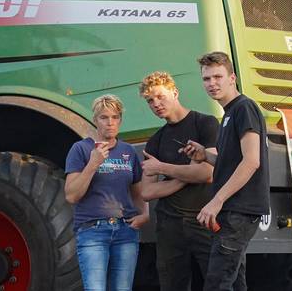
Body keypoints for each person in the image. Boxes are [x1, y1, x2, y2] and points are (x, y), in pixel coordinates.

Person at [182, 52, 270, 291]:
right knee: (235, 282)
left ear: (232, 78)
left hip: (239, 211)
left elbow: (252, 161)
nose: (212, 83)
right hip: (234, 211)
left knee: (216, 283)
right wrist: (205, 156)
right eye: (206, 79)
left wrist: (216, 201)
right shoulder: (229, 113)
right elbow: (234, 161)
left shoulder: (244, 108)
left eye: (218, 77)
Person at [138, 71, 220, 291]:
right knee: (172, 284)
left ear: (174, 92)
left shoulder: (205, 123)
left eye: (160, 96)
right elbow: (146, 192)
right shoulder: (156, 140)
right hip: (170, 223)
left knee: (217, 281)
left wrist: (163, 168)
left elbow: (207, 173)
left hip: (203, 219)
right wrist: (183, 178)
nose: (156, 104)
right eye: (150, 101)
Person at [64, 95, 150, 291]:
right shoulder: (81, 149)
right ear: (95, 120)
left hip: (125, 231)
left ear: (120, 120)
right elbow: (71, 195)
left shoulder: (128, 151)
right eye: (104, 117)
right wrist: (93, 164)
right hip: (92, 231)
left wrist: (145, 214)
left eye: (115, 117)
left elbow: (138, 191)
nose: (110, 123)